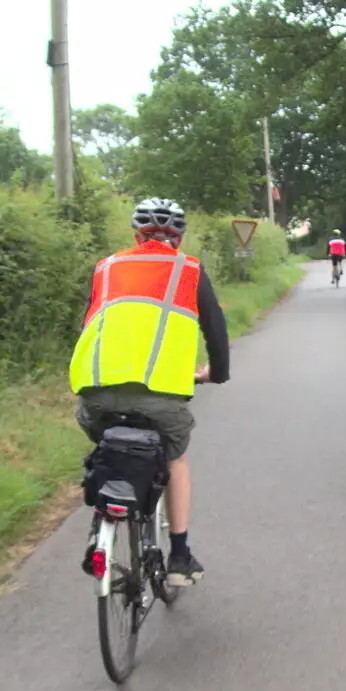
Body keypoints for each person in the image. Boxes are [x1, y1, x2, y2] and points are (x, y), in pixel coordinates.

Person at [70, 198, 230, 586]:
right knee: (175, 461)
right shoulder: (189, 270)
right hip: (160, 398)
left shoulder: (106, 269)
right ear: (178, 238)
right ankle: (179, 557)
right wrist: (216, 374)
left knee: (106, 444)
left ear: (136, 235)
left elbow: (89, 326)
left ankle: (99, 534)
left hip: (95, 394)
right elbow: (216, 330)